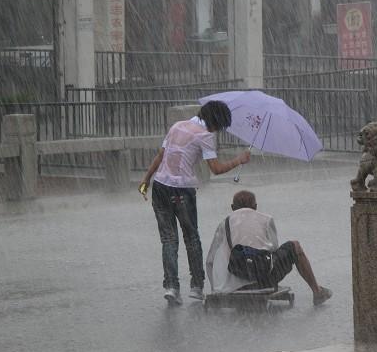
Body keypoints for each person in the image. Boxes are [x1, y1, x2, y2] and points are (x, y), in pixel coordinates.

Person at [140, 101, 251, 305]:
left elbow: (160, 156)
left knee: (168, 240)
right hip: (182, 190)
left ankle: (172, 287)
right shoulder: (205, 135)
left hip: (160, 188)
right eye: (219, 125)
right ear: (214, 121)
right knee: (191, 238)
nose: (217, 130)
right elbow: (216, 169)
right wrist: (239, 160)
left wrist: (146, 180)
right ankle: (197, 287)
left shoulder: (177, 126)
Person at [205, 190, 333, 306]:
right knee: (295, 246)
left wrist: (217, 288)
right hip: (263, 280)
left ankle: (236, 283)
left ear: (232, 208)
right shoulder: (266, 219)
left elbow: (210, 260)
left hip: (231, 285)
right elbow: (273, 250)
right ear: (255, 207)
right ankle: (317, 291)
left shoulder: (224, 223)